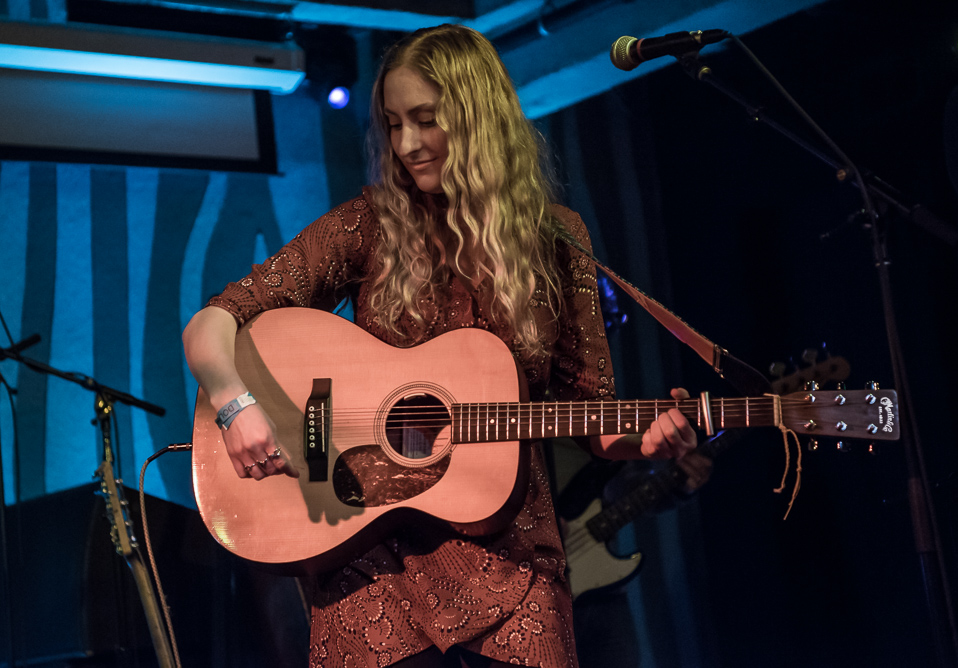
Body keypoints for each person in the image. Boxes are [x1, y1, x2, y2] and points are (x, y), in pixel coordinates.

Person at [182, 24, 698, 668]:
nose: (407, 144)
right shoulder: (368, 224)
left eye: (426, 121)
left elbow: (592, 412)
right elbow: (211, 323)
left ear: (478, 117)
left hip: (515, 566)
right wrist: (234, 404)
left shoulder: (559, 240)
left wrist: (641, 439)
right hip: (368, 563)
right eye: (395, 125)